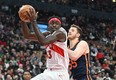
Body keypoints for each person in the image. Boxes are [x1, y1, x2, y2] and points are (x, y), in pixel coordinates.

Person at [20, 8, 69, 80]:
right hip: (49, 72)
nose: (54, 25)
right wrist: (23, 20)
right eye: (52, 23)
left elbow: (43, 42)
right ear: (48, 26)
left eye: (56, 23)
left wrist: (33, 21)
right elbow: (27, 35)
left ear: (60, 25)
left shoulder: (61, 33)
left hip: (59, 73)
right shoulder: (48, 34)